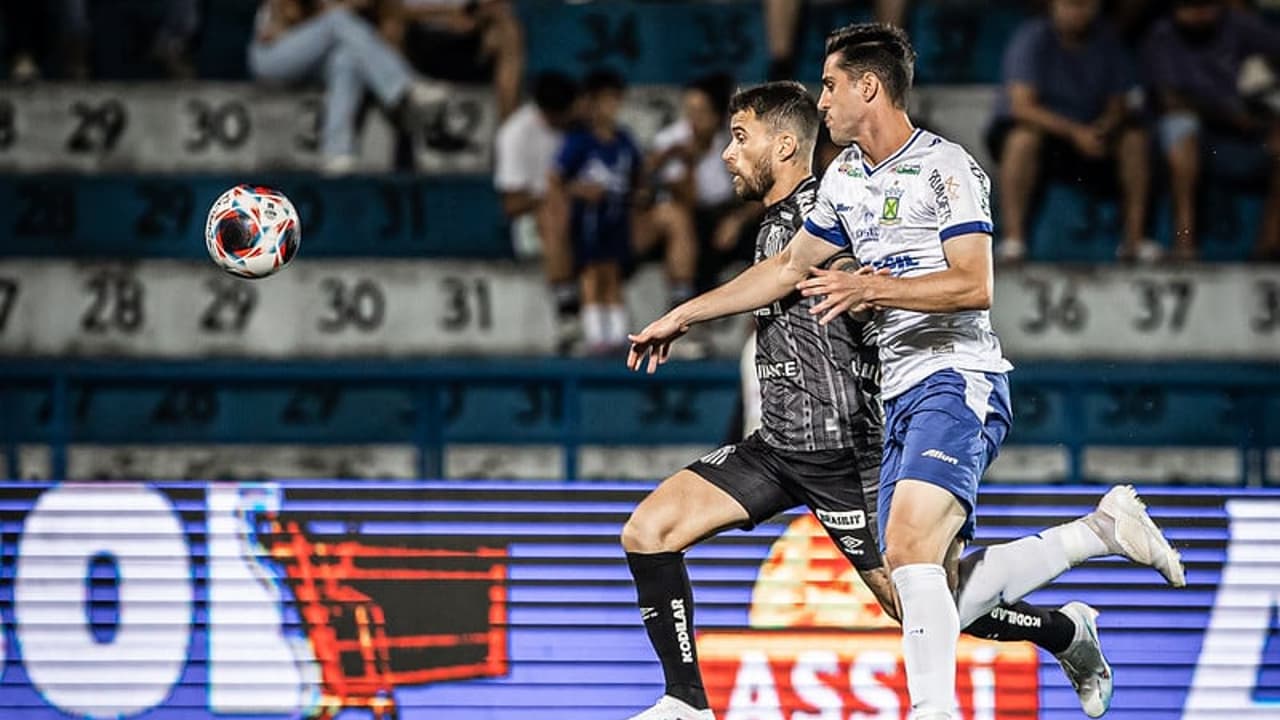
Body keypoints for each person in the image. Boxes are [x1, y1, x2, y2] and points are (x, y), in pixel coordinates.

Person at [622, 80, 1185, 720]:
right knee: (649, 531)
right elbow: (774, 279)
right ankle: (685, 700)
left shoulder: (838, 208)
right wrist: (683, 315)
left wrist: (877, 289)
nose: (726, 154)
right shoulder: (781, 224)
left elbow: (910, 274)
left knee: (921, 602)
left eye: (740, 138)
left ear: (783, 145)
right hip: (777, 447)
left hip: (852, 451)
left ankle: (1064, 628)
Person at [988, 0, 1154, 263]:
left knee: (1135, 139)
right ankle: (1014, 239)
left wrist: (1104, 126)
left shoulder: (1108, 40)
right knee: (1022, 139)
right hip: (1049, 133)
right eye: (1070, 5)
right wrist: (1076, 133)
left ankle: (1134, 240)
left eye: (1085, 5)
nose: (1078, 12)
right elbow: (1023, 106)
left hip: (1091, 133)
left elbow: (1118, 102)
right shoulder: (1032, 38)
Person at [1141, 0, 1280, 261]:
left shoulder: (1238, 25)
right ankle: (1185, 245)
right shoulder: (1162, 36)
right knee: (1181, 125)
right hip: (1184, 145)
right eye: (1192, 6)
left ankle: (1268, 247)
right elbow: (1170, 99)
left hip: (1241, 141)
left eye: (1207, 5)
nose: (1199, 12)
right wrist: (1231, 117)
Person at [248, 0, 445, 174]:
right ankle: (405, 88)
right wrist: (343, 7)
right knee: (338, 20)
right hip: (272, 56)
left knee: (346, 60)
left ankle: (337, 153)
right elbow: (289, 21)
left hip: (315, 58)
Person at [544, 69, 643, 355]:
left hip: (617, 217)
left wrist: (638, 195)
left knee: (612, 272)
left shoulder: (624, 141)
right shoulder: (580, 141)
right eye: (601, 101)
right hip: (588, 219)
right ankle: (595, 334)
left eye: (613, 101)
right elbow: (555, 179)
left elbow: (638, 175)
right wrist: (580, 191)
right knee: (591, 272)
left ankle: (617, 334)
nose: (608, 108)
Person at [493, 70, 581, 350]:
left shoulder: (579, 127)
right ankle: (568, 315)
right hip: (532, 223)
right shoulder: (515, 135)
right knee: (550, 209)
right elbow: (511, 205)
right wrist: (557, 194)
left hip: (581, 214)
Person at [393, 0, 524, 120]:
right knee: (392, 27)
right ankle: (404, 100)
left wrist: (482, 17)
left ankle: (508, 127)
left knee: (508, 31)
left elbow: (496, 6)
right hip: (422, 36)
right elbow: (393, 11)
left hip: (472, 35)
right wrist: (446, 14)